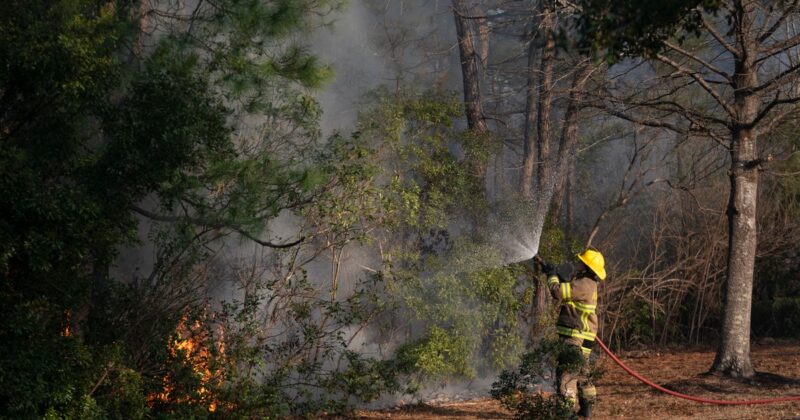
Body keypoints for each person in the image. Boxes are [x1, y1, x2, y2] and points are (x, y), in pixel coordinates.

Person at [540, 247, 606, 418]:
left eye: (581, 262)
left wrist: (552, 275)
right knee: (584, 375)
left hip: (574, 337)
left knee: (567, 375)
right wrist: (558, 276)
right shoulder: (588, 283)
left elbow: (557, 292)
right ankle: (586, 410)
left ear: (586, 267)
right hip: (584, 337)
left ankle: (567, 414)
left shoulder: (583, 284)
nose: (577, 264)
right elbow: (571, 293)